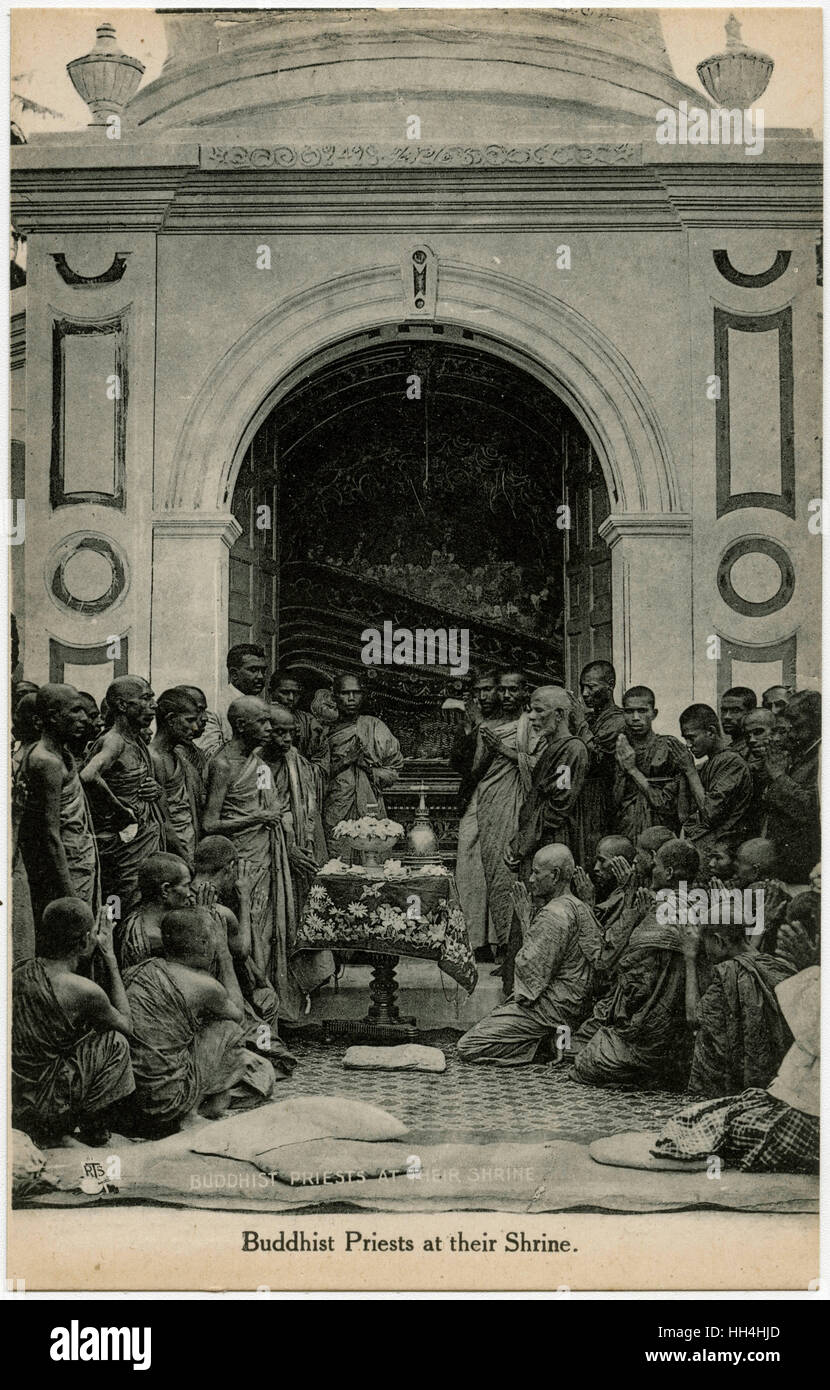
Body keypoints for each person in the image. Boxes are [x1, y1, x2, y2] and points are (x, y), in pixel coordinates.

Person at [652, 967, 819, 1174]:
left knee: (731, 1126)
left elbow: (693, 1018)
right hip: (802, 1093)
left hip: (814, 1115)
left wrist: (690, 960)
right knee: (719, 1113)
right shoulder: (759, 966)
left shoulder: (732, 972)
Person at [202, 696, 307, 1022]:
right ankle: (245, 1019)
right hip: (239, 864)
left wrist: (272, 819)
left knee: (265, 936)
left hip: (265, 860)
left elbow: (267, 804)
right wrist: (257, 818)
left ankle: (267, 1020)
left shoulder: (260, 766)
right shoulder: (222, 765)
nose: (269, 729)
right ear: (242, 726)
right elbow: (210, 823)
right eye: (263, 723)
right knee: (244, 939)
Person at [457, 845, 602, 1065]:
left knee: (469, 1045)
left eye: (536, 872)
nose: (531, 879)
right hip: (571, 1004)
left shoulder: (554, 915)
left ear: (554, 876)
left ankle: (544, 1043)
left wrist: (525, 920)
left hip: (549, 1009)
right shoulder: (579, 905)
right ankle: (549, 1039)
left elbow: (531, 970)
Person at [573, 838, 700, 1088]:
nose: (650, 870)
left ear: (668, 873)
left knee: (584, 1058)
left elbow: (633, 984)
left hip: (649, 1034)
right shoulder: (699, 904)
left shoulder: (656, 912)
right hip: (679, 1034)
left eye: (655, 865)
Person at [12, 899, 134, 1147]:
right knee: (115, 1042)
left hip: (15, 1099)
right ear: (86, 940)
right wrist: (109, 956)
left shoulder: (20, 970)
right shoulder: (83, 990)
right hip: (46, 1104)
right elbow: (127, 1025)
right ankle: (91, 1131)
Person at [122, 908, 252, 1136]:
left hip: (131, 1104)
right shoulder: (205, 986)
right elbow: (238, 1014)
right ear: (203, 943)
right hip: (170, 1103)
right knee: (229, 1029)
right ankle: (191, 1113)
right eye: (214, 938)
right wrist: (224, 954)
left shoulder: (138, 971)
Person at [191, 835, 297, 1076]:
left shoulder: (186, 892)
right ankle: (260, 1056)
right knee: (279, 1053)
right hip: (220, 998)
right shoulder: (221, 911)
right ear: (230, 868)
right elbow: (242, 950)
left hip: (195, 991)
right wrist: (246, 900)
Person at [455, 671, 542, 959]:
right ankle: (483, 942)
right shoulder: (486, 726)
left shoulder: (532, 724)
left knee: (511, 870)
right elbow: (473, 771)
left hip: (520, 802)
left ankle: (512, 944)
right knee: (485, 870)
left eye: (511, 691)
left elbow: (540, 764)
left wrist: (501, 750)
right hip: (489, 803)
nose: (505, 697)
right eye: (501, 691)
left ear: (524, 692)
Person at [80, 677, 172, 915]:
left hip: (141, 838)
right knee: (123, 904)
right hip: (124, 845)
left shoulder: (136, 739)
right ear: (122, 705)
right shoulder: (114, 741)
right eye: (145, 698)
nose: (153, 705)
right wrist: (122, 811)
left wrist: (153, 788)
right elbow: (89, 775)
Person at [680, 912, 794, 1099]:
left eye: (704, 943)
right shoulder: (775, 965)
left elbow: (693, 1017)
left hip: (731, 1083)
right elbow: (746, 957)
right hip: (776, 1075)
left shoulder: (726, 972)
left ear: (718, 941)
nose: (704, 952)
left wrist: (690, 959)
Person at [262, 705, 335, 994]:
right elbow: (264, 812)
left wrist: (300, 844)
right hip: (270, 854)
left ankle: (302, 987)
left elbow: (307, 806)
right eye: (279, 733)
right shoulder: (258, 768)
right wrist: (286, 847)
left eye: (291, 732)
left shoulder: (296, 762)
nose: (287, 739)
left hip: (301, 850)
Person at [16, 684, 100, 931]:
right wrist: (71, 896)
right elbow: (51, 833)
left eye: (85, 712)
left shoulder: (62, 753)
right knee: (76, 933)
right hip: (66, 867)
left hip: (78, 857)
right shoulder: (46, 761)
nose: (84, 719)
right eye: (75, 711)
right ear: (53, 716)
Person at [323, 674, 403, 838]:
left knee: (371, 854)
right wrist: (345, 762)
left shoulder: (373, 726)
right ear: (334, 696)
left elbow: (393, 771)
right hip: (335, 808)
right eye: (345, 693)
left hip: (370, 807)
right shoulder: (323, 731)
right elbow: (312, 775)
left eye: (356, 693)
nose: (351, 698)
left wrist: (367, 767)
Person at [675, 703, 753, 860]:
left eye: (692, 738)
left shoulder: (731, 762)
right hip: (700, 845)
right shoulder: (706, 765)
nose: (688, 745)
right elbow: (683, 816)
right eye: (685, 739)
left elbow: (710, 814)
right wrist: (684, 772)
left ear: (711, 732)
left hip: (719, 853)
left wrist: (690, 770)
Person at [761, 690, 821, 883]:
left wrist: (778, 776)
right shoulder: (801, 754)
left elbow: (811, 809)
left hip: (806, 868)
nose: (790, 725)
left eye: (794, 718)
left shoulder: (820, 757)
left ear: (817, 717)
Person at [613, 686, 682, 841]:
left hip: (659, 835)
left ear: (654, 713)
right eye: (629, 711)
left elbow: (667, 804)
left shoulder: (668, 748)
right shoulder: (619, 749)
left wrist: (632, 770)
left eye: (642, 711)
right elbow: (614, 802)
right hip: (625, 830)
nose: (635, 717)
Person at [578, 661, 627, 863]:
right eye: (582, 687)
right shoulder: (590, 720)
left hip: (604, 798)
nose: (585, 693)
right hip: (584, 797)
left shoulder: (619, 720)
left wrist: (579, 721)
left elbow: (595, 758)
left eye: (591, 686)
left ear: (610, 684)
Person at [149, 688, 203, 865]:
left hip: (189, 842)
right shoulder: (154, 758)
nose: (195, 728)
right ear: (171, 719)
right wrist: (186, 859)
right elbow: (164, 822)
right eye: (189, 721)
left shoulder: (179, 757)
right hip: (171, 852)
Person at [116, 851, 195, 969]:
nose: (189, 894)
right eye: (185, 885)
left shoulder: (136, 915)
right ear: (165, 890)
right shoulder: (156, 939)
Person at [269, 672, 330, 806]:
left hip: (301, 796)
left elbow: (321, 767)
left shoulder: (311, 724)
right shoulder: (260, 719)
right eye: (285, 692)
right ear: (271, 692)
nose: (291, 698)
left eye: (295, 693)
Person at [197, 644, 268, 759]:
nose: (260, 676)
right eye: (253, 670)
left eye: (263, 671)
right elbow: (209, 752)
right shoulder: (215, 706)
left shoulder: (263, 705)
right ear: (234, 674)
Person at [449, 668, 501, 814]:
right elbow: (456, 764)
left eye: (488, 690)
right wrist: (467, 729)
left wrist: (479, 722)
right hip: (472, 798)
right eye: (477, 692)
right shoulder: (467, 723)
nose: (482, 696)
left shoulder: (506, 721)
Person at [719, 686, 757, 760]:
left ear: (751, 713)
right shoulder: (732, 748)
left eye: (735, 711)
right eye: (724, 710)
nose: (727, 717)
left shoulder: (755, 750)